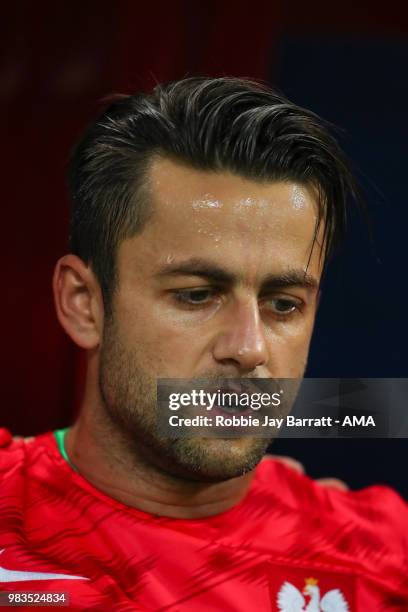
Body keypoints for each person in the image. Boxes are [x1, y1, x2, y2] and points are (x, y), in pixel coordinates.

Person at [0, 77, 406, 611]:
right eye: (196, 295)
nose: (249, 348)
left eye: (283, 303)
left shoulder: (382, 552)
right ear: (84, 303)